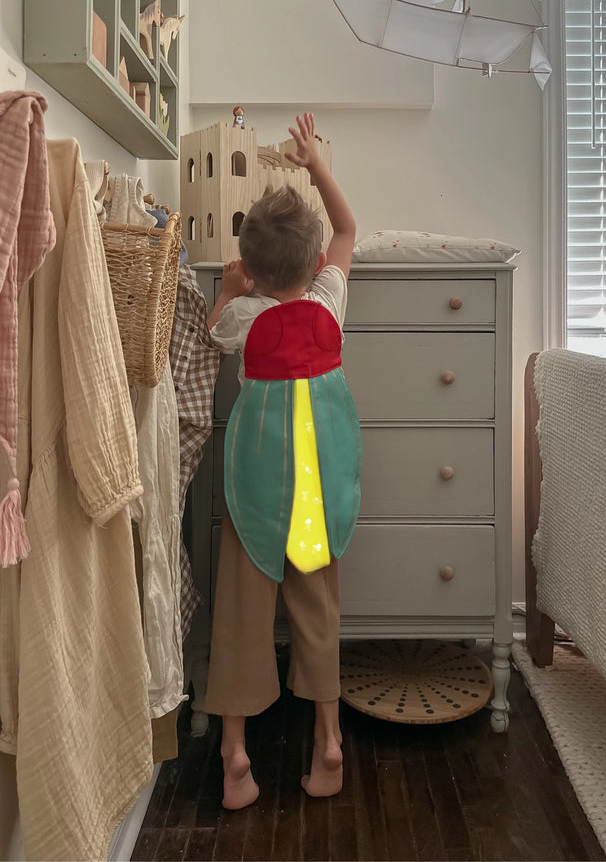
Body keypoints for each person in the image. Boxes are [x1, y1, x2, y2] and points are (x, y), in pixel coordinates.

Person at [204, 112, 361, 810]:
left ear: (253, 267)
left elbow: (214, 331)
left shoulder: (246, 317)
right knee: (317, 609)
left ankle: (235, 753)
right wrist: (315, 164)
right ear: (314, 263)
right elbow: (348, 231)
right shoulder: (329, 303)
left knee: (242, 613)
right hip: (318, 489)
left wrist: (230, 289)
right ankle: (329, 740)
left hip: (258, 490)